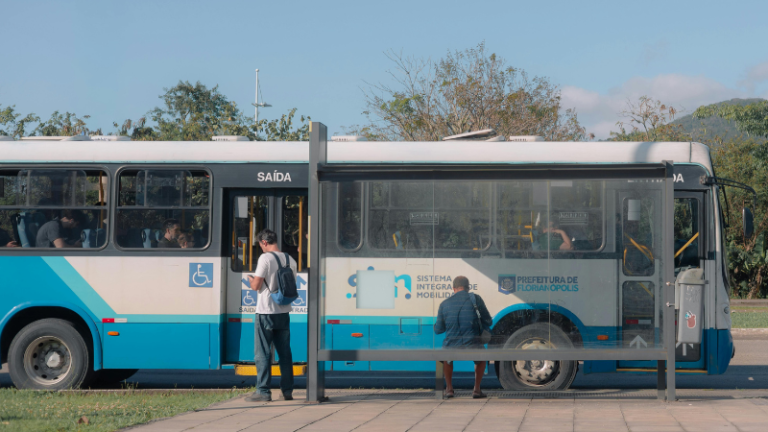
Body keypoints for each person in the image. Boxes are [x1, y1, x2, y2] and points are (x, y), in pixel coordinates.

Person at [245, 228, 296, 402]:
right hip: (284, 311)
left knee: (262, 352)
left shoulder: (265, 258)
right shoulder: (290, 259)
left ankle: (263, 391)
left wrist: (250, 280)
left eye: (260, 244)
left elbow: (256, 286)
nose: (261, 247)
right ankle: (287, 391)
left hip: (266, 310)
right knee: (285, 353)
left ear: (264, 242)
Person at [434, 276, 492, 399]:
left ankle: (449, 389)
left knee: (446, 356)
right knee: (482, 357)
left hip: (452, 345)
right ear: (468, 288)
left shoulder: (444, 304)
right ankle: (477, 389)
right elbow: (488, 320)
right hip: (472, 344)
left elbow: (438, 330)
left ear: (453, 288)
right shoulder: (476, 299)